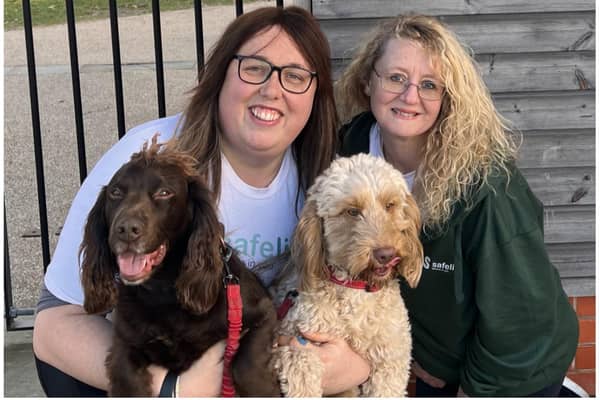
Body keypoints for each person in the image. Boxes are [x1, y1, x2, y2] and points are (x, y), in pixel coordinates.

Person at [33, 6, 370, 396]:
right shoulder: (146, 160)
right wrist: (169, 387)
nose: (272, 89)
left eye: (294, 76)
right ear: (221, 74)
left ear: (317, 94)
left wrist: (357, 361)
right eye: (254, 67)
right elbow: (53, 324)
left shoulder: (327, 184)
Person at [335, 14, 579, 397]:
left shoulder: (488, 187)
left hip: (514, 370)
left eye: (429, 85)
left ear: (448, 98)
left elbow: (520, 321)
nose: (410, 95)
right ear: (368, 80)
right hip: (434, 363)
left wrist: (474, 389)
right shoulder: (350, 153)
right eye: (396, 77)